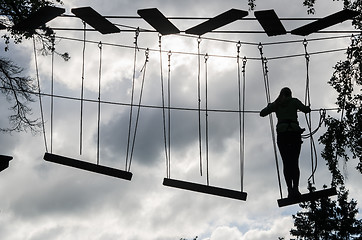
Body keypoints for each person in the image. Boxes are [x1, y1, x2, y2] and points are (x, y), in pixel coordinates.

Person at [260, 87, 311, 198]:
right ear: (290, 94)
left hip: (283, 135)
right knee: (294, 162)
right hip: (294, 134)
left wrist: (270, 106)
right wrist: (307, 108)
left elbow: (262, 113)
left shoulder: (277, 103)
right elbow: (306, 110)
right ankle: (296, 189)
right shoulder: (294, 101)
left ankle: (289, 190)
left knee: (286, 163)